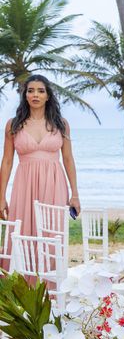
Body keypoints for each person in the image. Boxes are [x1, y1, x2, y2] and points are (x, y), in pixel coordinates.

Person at [0, 75, 80, 269]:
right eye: (31, 90)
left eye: (40, 91)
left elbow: (68, 159)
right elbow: (7, 161)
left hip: (54, 184)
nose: (35, 94)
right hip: (23, 184)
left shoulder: (61, 124)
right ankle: (20, 286)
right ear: (25, 95)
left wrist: (75, 194)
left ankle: (49, 286)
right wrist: (1, 196)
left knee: (52, 233)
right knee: (23, 231)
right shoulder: (13, 124)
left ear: (47, 96)